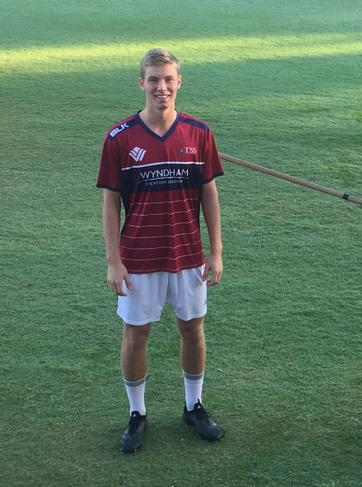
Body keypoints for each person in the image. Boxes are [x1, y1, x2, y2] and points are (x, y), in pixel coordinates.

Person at [97, 48, 225, 453]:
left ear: (179, 82)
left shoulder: (199, 133)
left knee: (193, 329)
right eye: (153, 79)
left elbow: (209, 194)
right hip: (139, 258)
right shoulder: (119, 138)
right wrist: (114, 260)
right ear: (141, 83)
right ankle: (137, 414)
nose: (161, 87)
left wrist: (216, 251)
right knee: (136, 336)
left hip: (187, 255)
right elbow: (110, 202)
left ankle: (193, 405)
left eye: (168, 79)